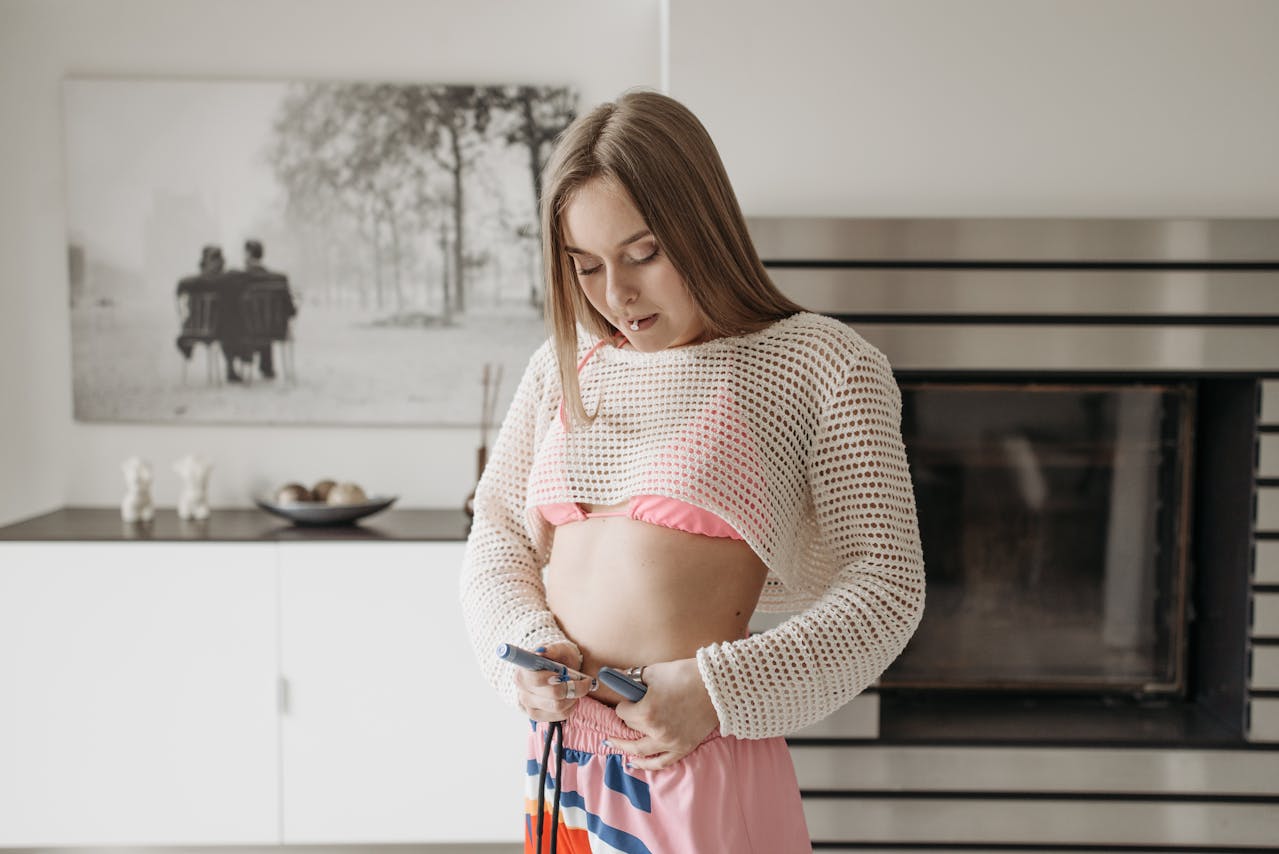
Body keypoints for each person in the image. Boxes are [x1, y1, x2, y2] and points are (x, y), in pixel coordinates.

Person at [460, 90, 926, 854]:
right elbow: (499, 534)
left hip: (687, 758)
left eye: (643, 253)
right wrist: (523, 644)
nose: (617, 296)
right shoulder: (564, 366)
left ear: (701, 226)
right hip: (560, 765)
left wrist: (717, 691)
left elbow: (886, 587)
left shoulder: (821, 365)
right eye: (585, 266)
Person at [240, 239, 296, 380]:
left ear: (248, 255)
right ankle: (267, 367)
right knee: (265, 321)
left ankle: (239, 365)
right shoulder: (279, 279)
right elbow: (290, 310)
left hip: (250, 329)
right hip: (276, 329)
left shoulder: (242, 279)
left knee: (247, 320)